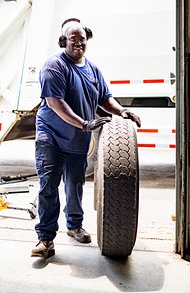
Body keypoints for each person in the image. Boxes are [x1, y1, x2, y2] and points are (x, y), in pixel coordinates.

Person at [31, 18, 141, 258]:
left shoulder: (93, 70)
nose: (78, 43)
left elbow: (105, 98)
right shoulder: (54, 66)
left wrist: (122, 111)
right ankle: (46, 239)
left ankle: (74, 226)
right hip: (51, 136)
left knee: (75, 185)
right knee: (48, 186)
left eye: (82, 38)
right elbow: (55, 103)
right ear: (64, 41)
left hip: (78, 139)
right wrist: (84, 123)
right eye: (73, 39)